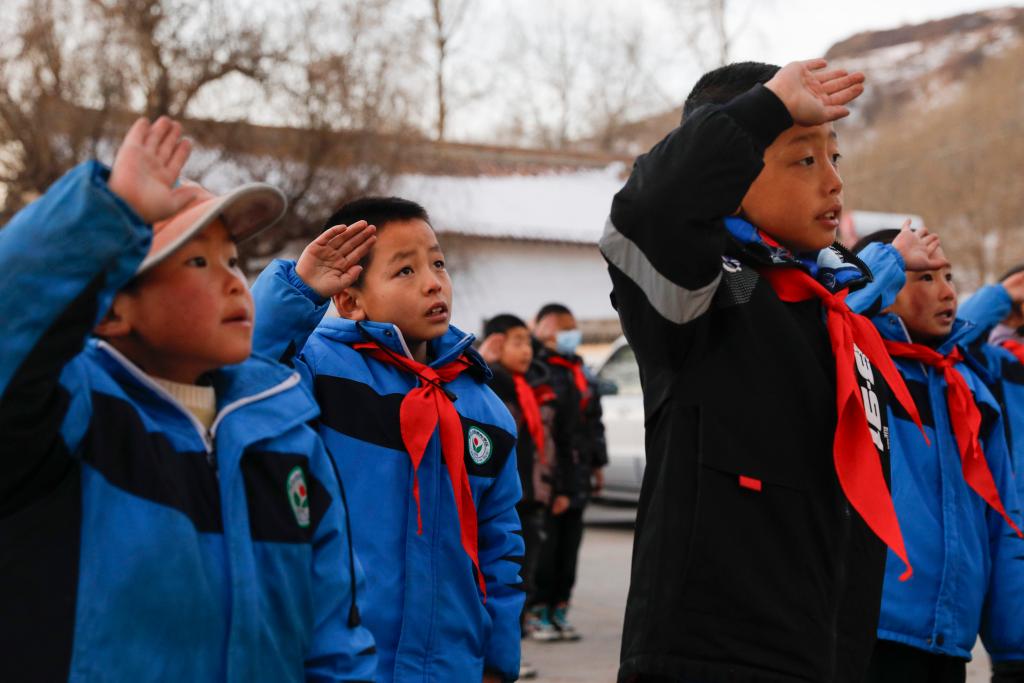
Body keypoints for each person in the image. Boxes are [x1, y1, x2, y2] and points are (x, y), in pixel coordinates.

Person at [599, 59, 945, 682]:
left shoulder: (833, 313)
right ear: (730, 177)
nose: (833, 182)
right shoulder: (706, 294)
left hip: (828, 660)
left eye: (835, 157)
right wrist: (764, 108)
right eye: (804, 159)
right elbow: (652, 210)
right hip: (713, 661)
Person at [0, 117, 377, 682]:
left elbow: (334, 643)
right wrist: (110, 210)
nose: (233, 281)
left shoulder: (287, 438)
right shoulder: (73, 417)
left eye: (233, 260)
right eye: (197, 261)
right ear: (112, 311)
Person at [250, 196, 525, 683]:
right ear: (350, 300)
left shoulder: (486, 411)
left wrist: (497, 662)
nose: (433, 282)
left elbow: (500, 546)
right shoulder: (320, 371)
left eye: (437, 263)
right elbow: (247, 368)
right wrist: (299, 291)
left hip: (452, 667)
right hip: (343, 662)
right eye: (405, 271)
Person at [851, 229, 1024, 683]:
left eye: (948, 277)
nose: (948, 292)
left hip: (948, 644)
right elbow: (836, 315)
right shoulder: (857, 368)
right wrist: (885, 264)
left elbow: (1002, 526)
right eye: (925, 278)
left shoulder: (970, 389)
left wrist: (1015, 650)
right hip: (866, 634)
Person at [479, 313, 558, 679]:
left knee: (522, 579)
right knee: (501, 579)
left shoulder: (530, 386)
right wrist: (484, 360)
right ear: (497, 345)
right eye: (517, 342)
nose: (526, 351)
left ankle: (512, 649)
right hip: (506, 500)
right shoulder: (490, 385)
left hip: (531, 498)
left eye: (528, 342)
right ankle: (499, 654)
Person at [527, 303, 607, 642]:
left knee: (570, 548)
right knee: (546, 550)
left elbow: (593, 423)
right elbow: (548, 437)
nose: (570, 334)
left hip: (578, 474)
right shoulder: (539, 372)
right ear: (544, 330)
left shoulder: (579, 370)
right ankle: (538, 612)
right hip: (552, 480)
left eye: (572, 327)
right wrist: (557, 487)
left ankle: (560, 608)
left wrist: (597, 464)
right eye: (563, 328)